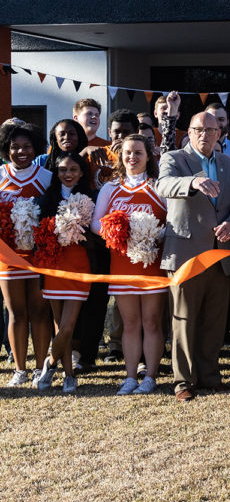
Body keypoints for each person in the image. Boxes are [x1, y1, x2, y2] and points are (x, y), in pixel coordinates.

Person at [157, 112, 230, 402]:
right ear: (190, 132)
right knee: (183, 319)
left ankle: (210, 376)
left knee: (214, 320)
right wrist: (193, 183)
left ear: (219, 133)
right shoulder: (174, 158)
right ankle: (183, 381)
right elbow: (163, 186)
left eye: (211, 130)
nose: (205, 135)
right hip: (185, 253)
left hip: (220, 253)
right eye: (199, 129)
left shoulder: (228, 163)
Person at [90, 135, 169, 395]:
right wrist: (120, 231)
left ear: (149, 156)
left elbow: (171, 223)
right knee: (130, 322)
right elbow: (95, 224)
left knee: (152, 322)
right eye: (127, 153)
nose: (132, 157)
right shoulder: (111, 188)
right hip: (122, 264)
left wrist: (151, 234)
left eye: (138, 152)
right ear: (120, 156)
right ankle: (131, 376)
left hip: (151, 264)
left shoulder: (158, 186)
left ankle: (151, 376)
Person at [35, 153, 94, 394]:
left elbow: (95, 233)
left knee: (68, 326)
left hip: (79, 266)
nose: (67, 174)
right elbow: (40, 233)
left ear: (81, 173)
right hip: (53, 266)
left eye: (72, 169)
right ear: (56, 173)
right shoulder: (46, 199)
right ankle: (69, 375)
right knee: (60, 325)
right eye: (62, 169)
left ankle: (48, 366)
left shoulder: (92, 197)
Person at [0, 123, 53, 387]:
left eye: (27, 146)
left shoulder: (45, 177)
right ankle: (19, 369)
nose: (21, 151)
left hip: (38, 256)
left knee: (40, 311)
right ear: (6, 149)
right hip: (8, 257)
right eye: (14, 147)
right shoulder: (0, 174)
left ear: (35, 148)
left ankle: (40, 368)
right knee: (16, 312)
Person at [81, 109, 139, 190]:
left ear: (136, 132)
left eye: (126, 132)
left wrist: (127, 151)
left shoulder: (142, 155)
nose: (121, 136)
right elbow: (69, 167)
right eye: (117, 131)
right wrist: (85, 151)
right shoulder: (98, 153)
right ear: (109, 132)